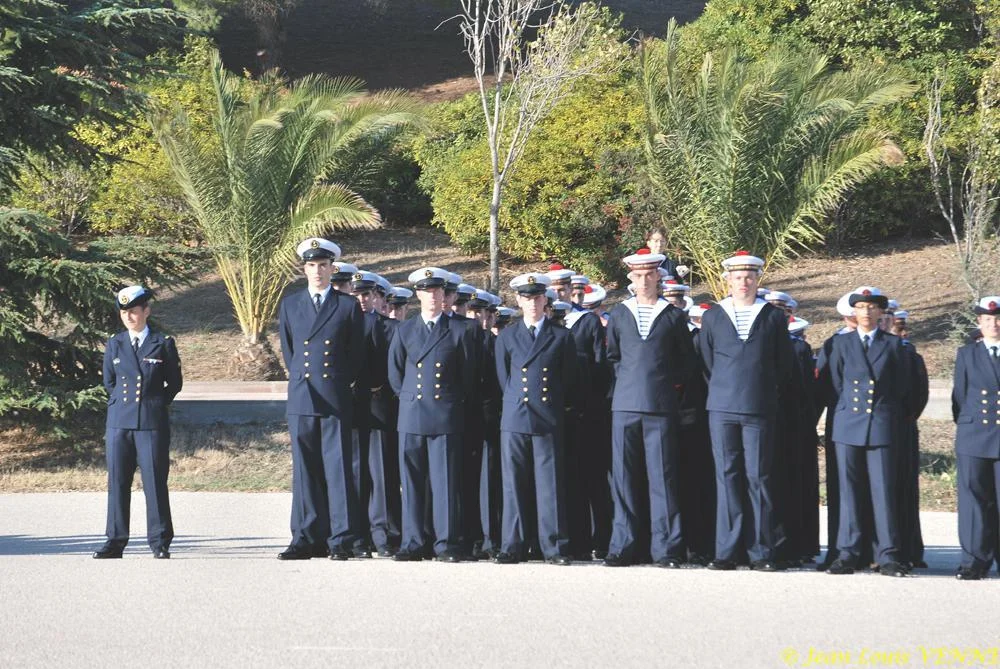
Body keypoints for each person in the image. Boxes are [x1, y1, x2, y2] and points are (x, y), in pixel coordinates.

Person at [699, 250, 794, 571]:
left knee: (759, 477)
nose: (744, 282)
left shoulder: (772, 317)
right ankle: (727, 551)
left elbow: (783, 365)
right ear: (727, 280)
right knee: (727, 476)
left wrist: (762, 389)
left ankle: (761, 551)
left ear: (757, 279)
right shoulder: (713, 316)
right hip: (722, 408)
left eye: (750, 276)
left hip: (759, 407)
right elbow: (707, 362)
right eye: (737, 277)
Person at [604, 248, 697, 567]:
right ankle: (624, 544)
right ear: (630, 278)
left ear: (659, 276)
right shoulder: (619, 313)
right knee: (625, 478)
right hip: (626, 406)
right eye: (638, 276)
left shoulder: (672, 316)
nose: (644, 281)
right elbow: (613, 357)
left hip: (660, 406)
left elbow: (685, 362)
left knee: (663, 478)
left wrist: (665, 387)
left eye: (649, 275)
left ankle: (667, 548)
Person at [276, 237, 367, 561]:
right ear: (304, 269)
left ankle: (340, 538)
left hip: (333, 395)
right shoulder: (290, 304)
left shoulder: (346, 306)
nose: (318, 271)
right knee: (304, 469)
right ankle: (304, 536)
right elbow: (290, 352)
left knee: (338, 468)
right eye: (312, 265)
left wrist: (337, 382)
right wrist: (305, 378)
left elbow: (355, 354)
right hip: (302, 395)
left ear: (332, 269)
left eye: (323, 265)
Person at [389, 267, 478, 562]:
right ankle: (413, 542)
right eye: (426, 291)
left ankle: (447, 542)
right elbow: (395, 373)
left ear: (445, 295)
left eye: (437, 291)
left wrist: (451, 402)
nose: (432, 296)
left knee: (445, 482)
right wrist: (411, 398)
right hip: (412, 413)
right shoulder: (404, 330)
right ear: (417, 294)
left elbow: (468, 377)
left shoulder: (461, 330)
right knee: (412, 481)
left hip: (445, 414)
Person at [825, 287, 912, 577]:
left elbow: (903, 389)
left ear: (880, 312)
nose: (866, 312)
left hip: (881, 425)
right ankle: (848, 553)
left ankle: (887, 554)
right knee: (849, 493)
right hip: (849, 424)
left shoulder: (894, 345)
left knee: (883, 491)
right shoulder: (841, 344)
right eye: (860, 307)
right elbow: (835, 385)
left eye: (871, 307)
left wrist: (886, 415)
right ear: (853, 312)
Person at [493, 273, 577, 565]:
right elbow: (504, 378)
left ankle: (554, 547)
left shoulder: (561, 336)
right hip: (516, 415)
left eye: (537, 297)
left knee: (550, 483)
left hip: (547, 416)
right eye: (526, 298)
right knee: (514, 483)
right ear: (518, 300)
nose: (532, 303)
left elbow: (568, 379)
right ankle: (513, 545)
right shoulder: (507, 336)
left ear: (546, 300)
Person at [94, 286, 182, 559]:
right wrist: (125, 408)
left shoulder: (162, 342)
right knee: (118, 482)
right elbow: (110, 382)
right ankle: (115, 541)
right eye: (124, 312)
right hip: (120, 423)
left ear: (146, 311)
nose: (129, 317)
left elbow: (174, 384)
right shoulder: (115, 343)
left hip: (151, 423)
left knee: (155, 483)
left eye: (133, 311)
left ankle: (159, 542)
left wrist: (154, 403)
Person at [951, 296, 1000, 580]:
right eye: (987, 320)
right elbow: (960, 397)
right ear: (979, 323)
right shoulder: (967, 354)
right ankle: (973, 561)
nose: (993, 324)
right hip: (974, 435)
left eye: (997, 319)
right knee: (974, 501)